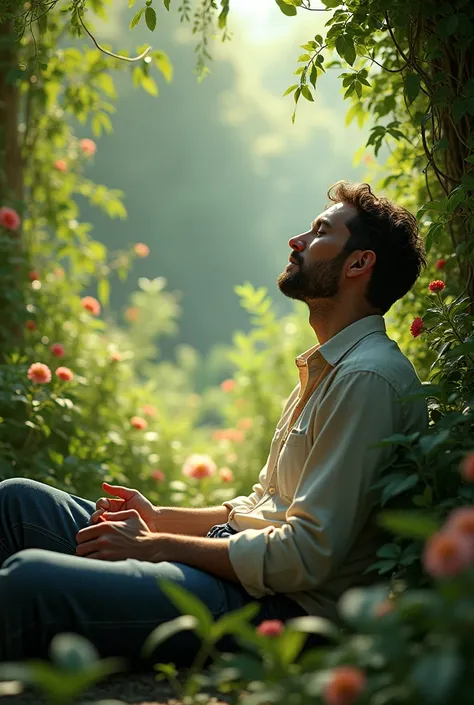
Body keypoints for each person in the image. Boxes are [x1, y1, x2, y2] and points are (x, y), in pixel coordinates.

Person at [0, 181, 428, 666]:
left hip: (277, 611)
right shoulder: (330, 366)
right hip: (236, 573)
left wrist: (156, 545)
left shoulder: (366, 379)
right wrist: (159, 518)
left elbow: (305, 557)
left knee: (26, 582)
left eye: (319, 231)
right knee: (17, 503)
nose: (297, 241)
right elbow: (262, 505)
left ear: (357, 264)